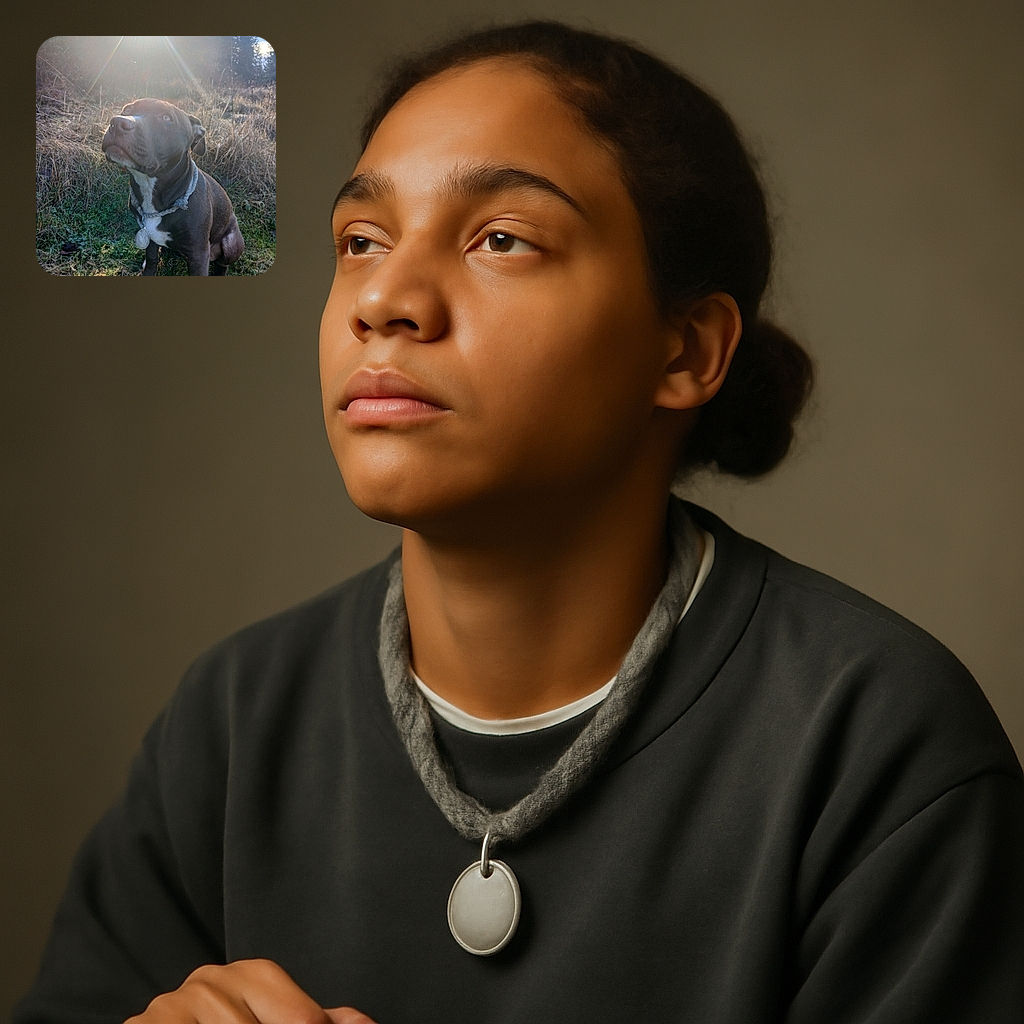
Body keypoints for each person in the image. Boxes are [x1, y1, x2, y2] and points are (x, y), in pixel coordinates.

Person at [16, 20, 1024, 1024]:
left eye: (501, 238)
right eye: (361, 241)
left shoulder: (880, 748)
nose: (387, 300)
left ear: (685, 350)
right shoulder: (232, 724)